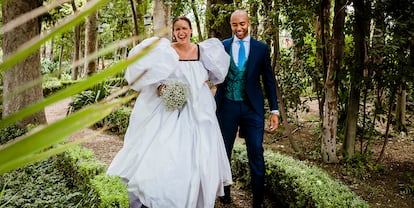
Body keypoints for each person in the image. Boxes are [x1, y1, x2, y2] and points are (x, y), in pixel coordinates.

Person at [107, 16, 232, 208]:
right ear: (173, 32)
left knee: (198, 153)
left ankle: (194, 194)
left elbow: (214, 77)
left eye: (184, 28)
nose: (181, 32)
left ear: (191, 30)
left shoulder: (203, 51)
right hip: (170, 111)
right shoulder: (167, 51)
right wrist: (161, 89)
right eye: (177, 29)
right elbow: (155, 76)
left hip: (198, 110)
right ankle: (163, 194)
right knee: (167, 150)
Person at [215, 10, 280, 208]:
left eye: (242, 24)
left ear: (248, 23)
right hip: (227, 107)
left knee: (256, 152)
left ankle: (258, 201)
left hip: (252, 109)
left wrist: (274, 111)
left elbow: (268, 81)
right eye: (235, 25)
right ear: (231, 25)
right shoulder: (223, 46)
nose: (239, 28)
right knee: (224, 151)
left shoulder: (261, 48)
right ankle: (225, 194)